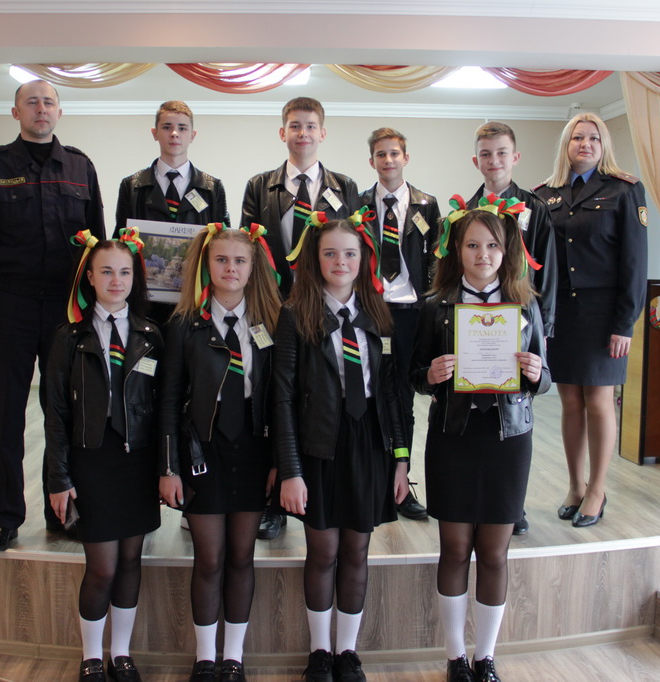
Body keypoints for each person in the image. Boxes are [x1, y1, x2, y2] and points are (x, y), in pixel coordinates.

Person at [0, 79, 105, 551]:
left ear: (59, 112)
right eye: (32, 102)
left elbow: (97, 243)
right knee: (4, 418)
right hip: (9, 306)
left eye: (49, 102)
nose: (41, 109)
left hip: (66, 308)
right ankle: (4, 517)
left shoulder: (80, 166)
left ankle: (62, 513)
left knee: (66, 414)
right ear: (16, 112)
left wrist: (97, 308)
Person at [410, 201, 550, 682]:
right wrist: (429, 374)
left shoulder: (525, 305)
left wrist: (537, 373)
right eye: (472, 245)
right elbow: (414, 375)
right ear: (457, 250)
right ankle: (455, 658)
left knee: (493, 552)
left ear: (507, 251)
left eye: (492, 245)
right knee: (454, 549)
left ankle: (485, 657)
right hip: (454, 437)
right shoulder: (436, 305)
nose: (483, 254)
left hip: (509, 439)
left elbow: (545, 378)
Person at [274, 212, 410, 682]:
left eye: (350, 253)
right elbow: (283, 397)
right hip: (320, 444)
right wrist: (291, 469)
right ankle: (319, 652)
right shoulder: (295, 315)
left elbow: (390, 395)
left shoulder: (378, 315)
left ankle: (347, 652)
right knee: (323, 550)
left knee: (357, 549)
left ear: (362, 258)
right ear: (315, 258)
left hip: (368, 442)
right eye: (330, 253)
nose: (340, 261)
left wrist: (400, 460)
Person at [158, 223, 282, 682]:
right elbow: (169, 400)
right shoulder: (184, 325)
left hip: (253, 451)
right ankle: (205, 657)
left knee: (242, 557)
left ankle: (234, 658)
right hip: (202, 453)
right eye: (222, 260)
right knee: (209, 559)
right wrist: (169, 467)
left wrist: (280, 463)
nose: (231, 268)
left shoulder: (271, 323)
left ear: (253, 268)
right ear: (206, 265)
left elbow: (281, 400)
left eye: (240, 261)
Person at [45, 229, 163, 682]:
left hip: (136, 462)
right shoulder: (68, 337)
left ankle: (121, 654)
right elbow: (56, 415)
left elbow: (163, 409)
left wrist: (165, 468)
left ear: (135, 278)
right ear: (89, 277)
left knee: (131, 561)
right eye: (107, 271)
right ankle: (91, 655)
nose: (116, 281)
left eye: (125, 272)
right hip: (90, 461)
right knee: (102, 566)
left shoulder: (151, 335)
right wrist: (58, 477)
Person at [241, 96, 360, 540]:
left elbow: (352, 247)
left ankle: (324, 486)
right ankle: (272, 500)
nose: (303, 133)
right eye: (295, 125)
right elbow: (253, 249)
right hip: (276, 308)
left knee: (320, 397)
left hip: (326, 309)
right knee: (274, 396)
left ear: (322, 133)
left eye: (310, 126)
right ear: (283, 132)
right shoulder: (260, 185)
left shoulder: (345, 185)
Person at [534, 113, 648, 528]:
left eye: (594, 138)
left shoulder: (624, 190)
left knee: (599, 401)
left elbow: (635, 262)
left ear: (604, 146)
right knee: (570, 402)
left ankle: (597, 490)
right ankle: (575, 485)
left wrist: (625, 323)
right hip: (561, 314)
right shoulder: (545, 195)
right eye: (578, 137)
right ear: (566, 145)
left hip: (603, 316)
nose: (585, 144)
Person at [467, 121, 559, 536]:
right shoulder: (468, 210)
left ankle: (512, 503)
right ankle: (475, 495)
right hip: (478, 321)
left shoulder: (534, 208)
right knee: (480, 412)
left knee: (516, 412)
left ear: (515, 157)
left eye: (501, 153)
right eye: (486, 154)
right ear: (476, 161)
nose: (494, 161)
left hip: (522, 321)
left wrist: (544, 327)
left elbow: (548, 270)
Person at [358, 127, 440, 522]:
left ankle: (402, 482)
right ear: (371, 160)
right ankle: (374, 477)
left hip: (411, 313)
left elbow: (438, 261)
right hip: (372, 311)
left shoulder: (427, 205)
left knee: (404, 396)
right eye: (381, 154)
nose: (388, 160)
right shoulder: (358, 205)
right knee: (371, 392)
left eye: (394, 153)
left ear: (405, 158)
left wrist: (432, 308)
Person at [115, 100, 231, 329]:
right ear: (155, 133)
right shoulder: (131, 186)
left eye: (182, 128)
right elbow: (120, 242)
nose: (175, 133)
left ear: (193, 135)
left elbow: (223, 243)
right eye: (167, 127)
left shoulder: (212, 187)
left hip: (195, 300)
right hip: (145, 302)